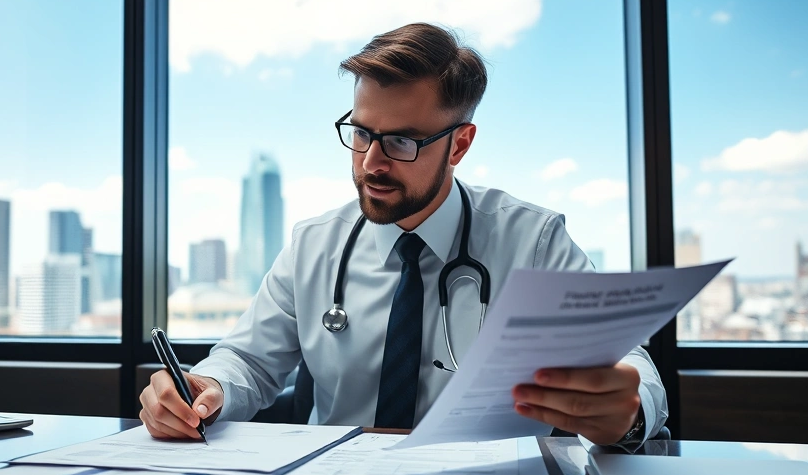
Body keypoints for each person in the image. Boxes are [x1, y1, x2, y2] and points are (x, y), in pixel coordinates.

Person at [140, 23, 668, 448]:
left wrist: (627, 410)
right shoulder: (314, 245)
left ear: (459, 144)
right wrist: (205, 388)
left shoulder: (533, 242)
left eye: (401, 142)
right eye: (362, 132)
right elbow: (248, 362)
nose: (371, 162)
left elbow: (630, 365)